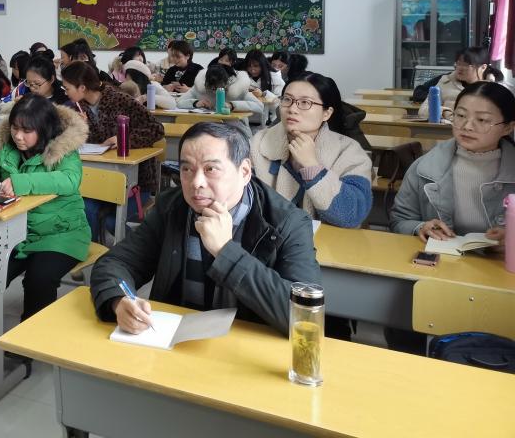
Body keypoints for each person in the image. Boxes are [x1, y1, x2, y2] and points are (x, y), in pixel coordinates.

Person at [90, 121, 322, 336]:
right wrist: (119, 301)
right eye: (186, 169)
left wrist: (225, 251)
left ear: (244, 172)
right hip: (175, 344)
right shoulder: (171, 207)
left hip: (247, 349)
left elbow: (303, 315)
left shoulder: (288, 223)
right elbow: (115, 263)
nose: (196, 183)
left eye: (211, 169)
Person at [0, 95, 91, 385]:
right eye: (15, 128)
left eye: (27, 130)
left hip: (61, 233)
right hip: (19, 233)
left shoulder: (64, 149)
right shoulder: (8, 146)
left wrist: (22, 183)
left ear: (45, 129)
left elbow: (69, 181)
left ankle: (28, 346)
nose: (18, 136)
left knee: (40, 278)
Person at [392, 81, 514, 244]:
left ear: (508, 128)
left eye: (482, 119)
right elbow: (399, 220)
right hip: (443, 258)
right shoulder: (425, 168)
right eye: (461, 115)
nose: (467, 126)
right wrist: (421, 227)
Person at [251, 73, 373, 229]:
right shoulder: (257, 143)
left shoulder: (349, 152)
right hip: (269, 239)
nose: (292, 109)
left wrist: (312, 166)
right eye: (287, 99)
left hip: (328, 242)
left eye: (305, 102)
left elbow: (351, 215)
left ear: (326, 113)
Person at [62, 61, 164, 238]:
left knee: (112, 221)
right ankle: (93, 250)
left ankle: (136, 251)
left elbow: (156, 129)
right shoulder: (78, 108)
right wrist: (79, 128)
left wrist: (124, 139)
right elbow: (86, 145)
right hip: (99, 180)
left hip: (136, 183)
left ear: (82, 87)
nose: (65, 92)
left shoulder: (120, 100)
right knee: (86, 209)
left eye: (67, 88)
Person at [176, 62, 264, 124]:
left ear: (226, 83)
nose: (214, 92)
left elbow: (259, 106)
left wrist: (232, 105)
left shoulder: (238, 88)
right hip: (206, 126)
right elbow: (178, 103)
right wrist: (196, 103)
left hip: (234, 128)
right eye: (212, 88)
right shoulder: (200, 87)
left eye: (218, 88)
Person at [415, 46, 490, 118]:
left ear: (483, 67)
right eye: (458, 63)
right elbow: (422, 111)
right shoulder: (445, 82)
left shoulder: (491, 89)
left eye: (466, 65)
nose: (460, 68)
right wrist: (443, 112)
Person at [244, 49, 284, 126]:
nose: (252, 70)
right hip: (247, 120)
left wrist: (263, 94)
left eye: (256, 66)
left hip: (270, 122)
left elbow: (279, 105)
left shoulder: (275, 79)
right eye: (249, 66)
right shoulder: (243, 77)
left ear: (262, 65)